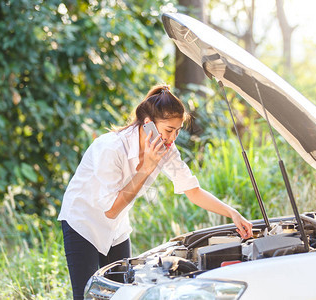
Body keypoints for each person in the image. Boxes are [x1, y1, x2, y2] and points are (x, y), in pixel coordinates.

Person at [58, 84, 253, 299]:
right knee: (86, 295)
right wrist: (146, 168)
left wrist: (233, 213)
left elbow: (193, 190)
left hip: (116, 229)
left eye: (177, 131)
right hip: (83, 222)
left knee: (122, 293)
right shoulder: (111, 148)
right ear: (148, 124)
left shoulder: (166, 149)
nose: (173, 138)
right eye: (169, 130)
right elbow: (111, 210)